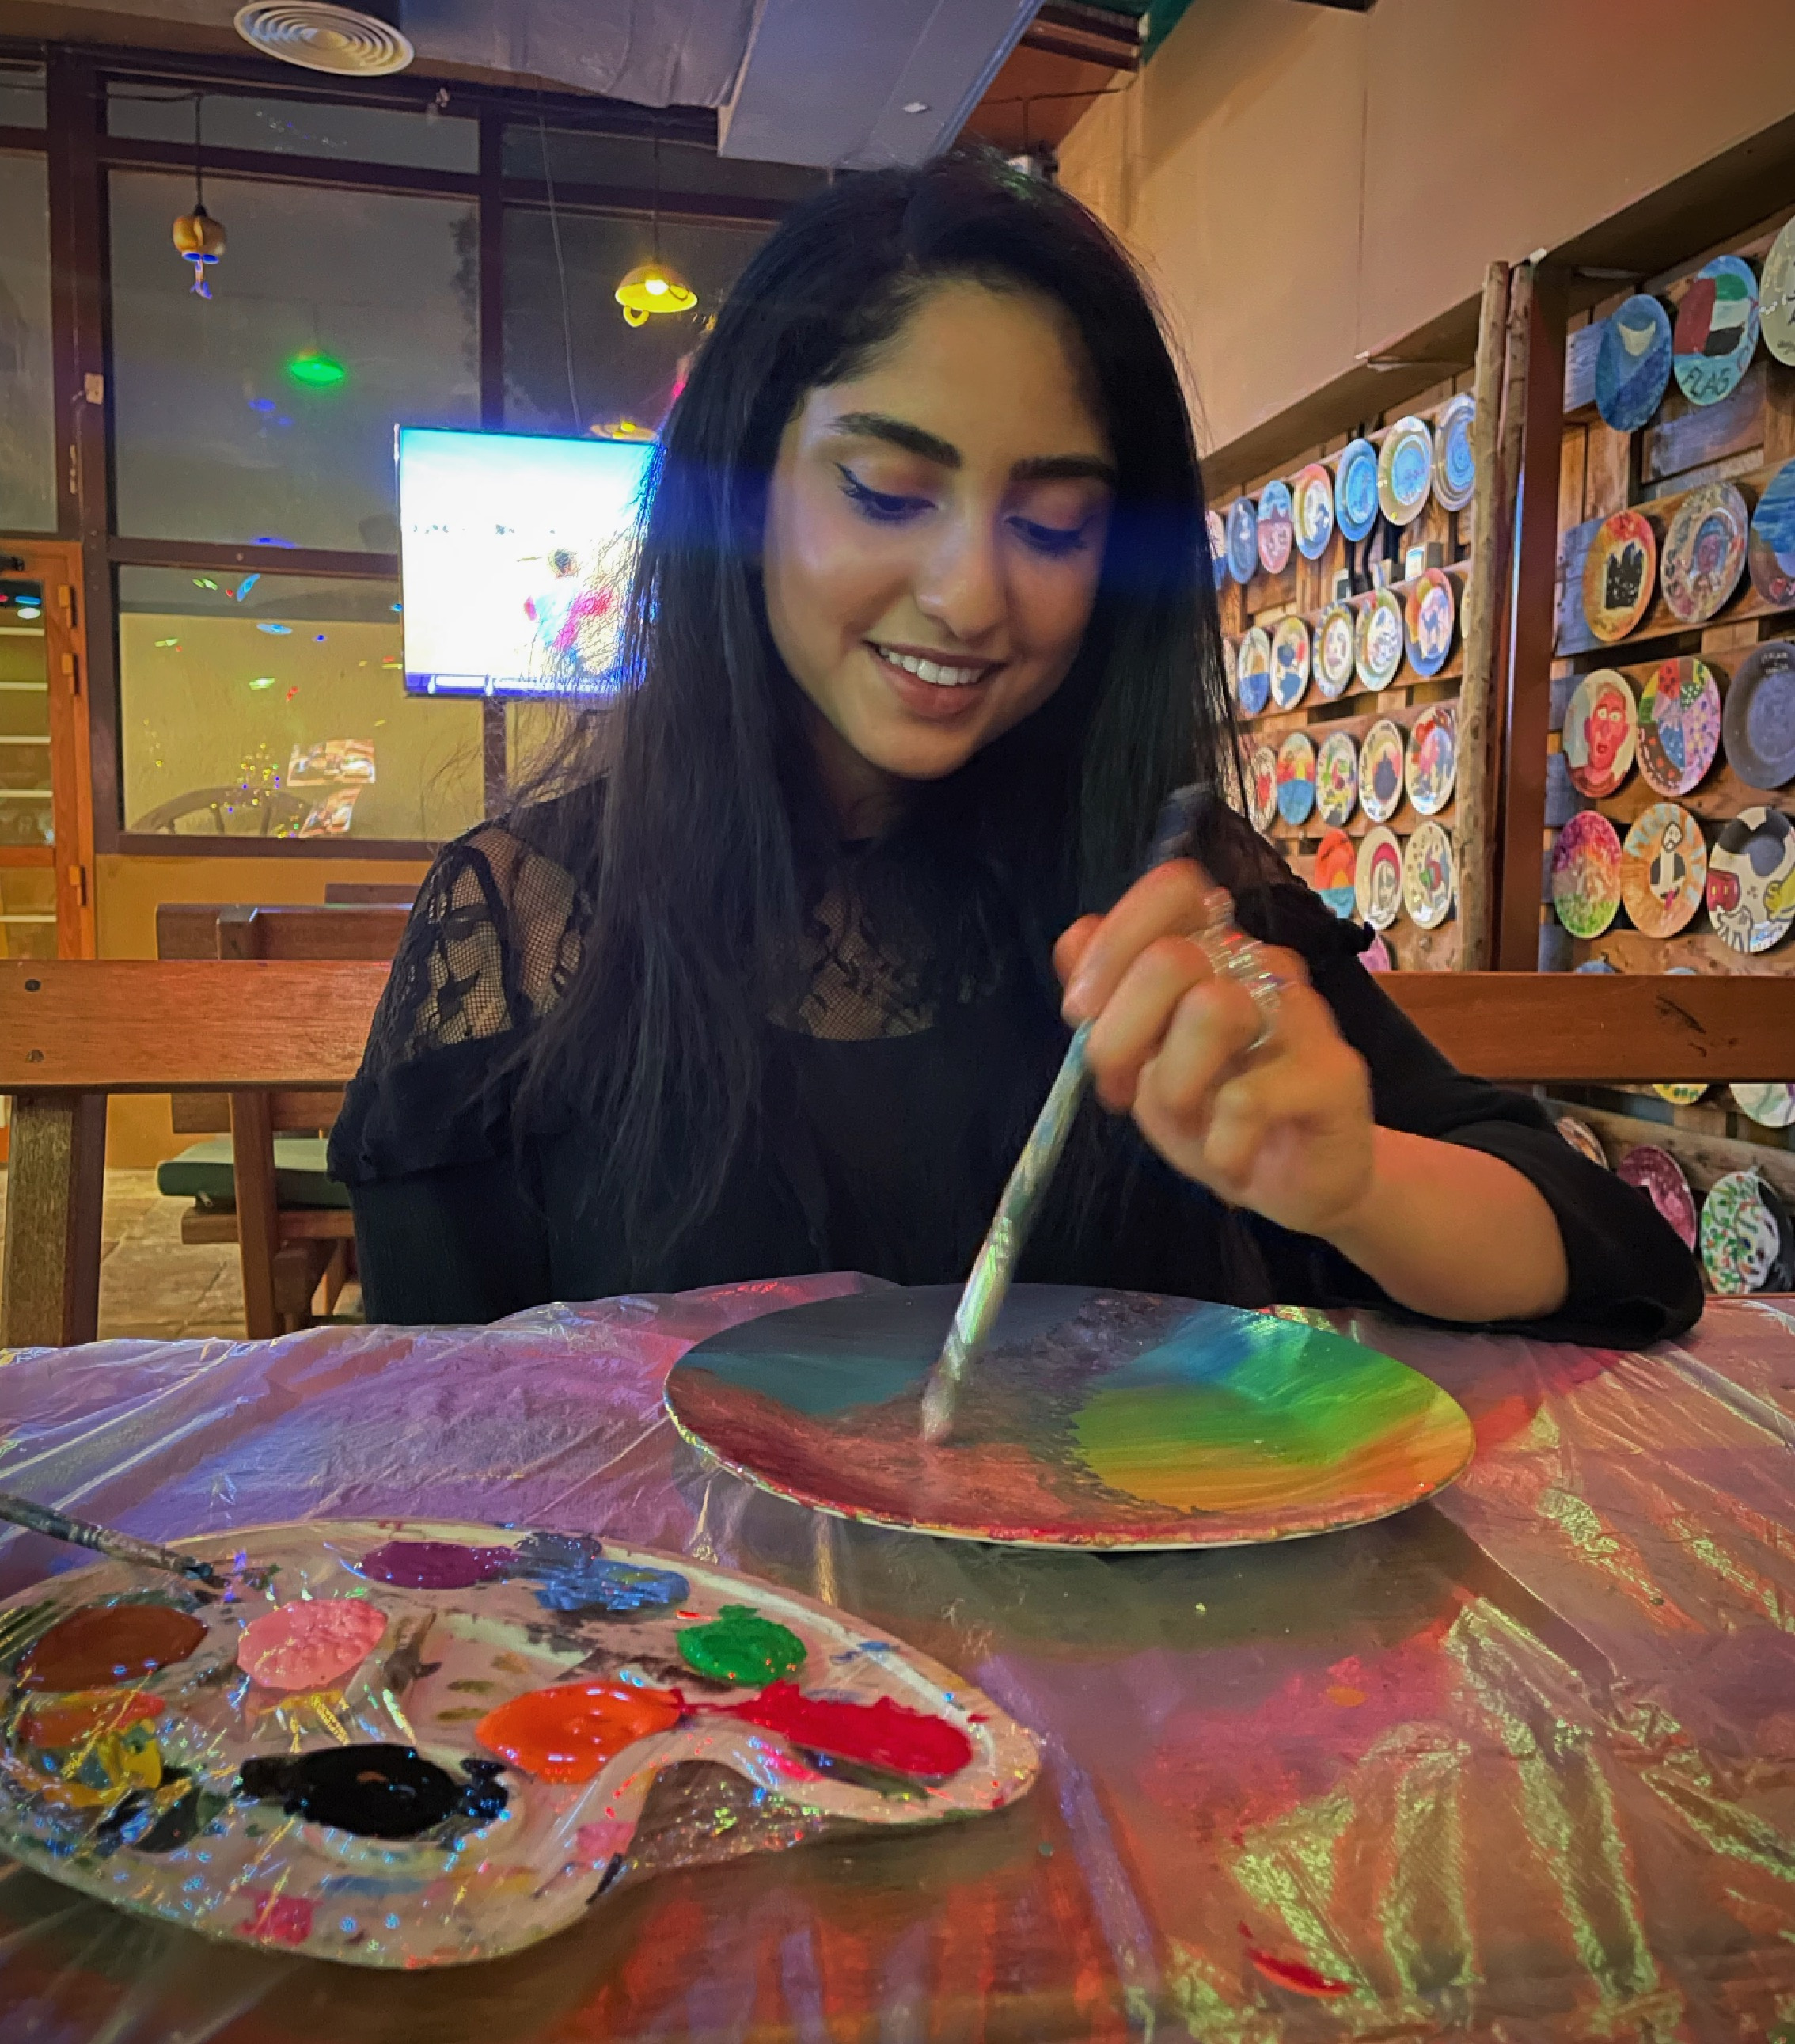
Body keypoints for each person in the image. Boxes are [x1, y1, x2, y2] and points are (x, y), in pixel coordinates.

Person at [332, 152, 1701, 1345]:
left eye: (1052, 523)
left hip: (1131, 1641)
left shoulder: (1167, 890)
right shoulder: (522, 932)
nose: (974, 594)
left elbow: (1614, 1253)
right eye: (886, 491)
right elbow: (456, 1454)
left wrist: (1354, 1187)